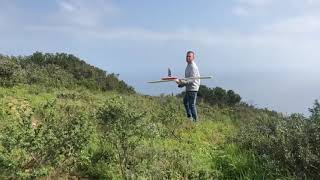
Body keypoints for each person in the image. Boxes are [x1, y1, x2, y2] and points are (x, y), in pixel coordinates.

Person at [176, 51, 200, 122]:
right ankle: (189, 117)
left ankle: (195, 121)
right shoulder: (188, 65)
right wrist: (181, 84)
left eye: (190, 56)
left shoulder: (193, 67)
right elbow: (187, 79)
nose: (188, 58)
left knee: (191, 105)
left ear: (193, 57)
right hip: (188, 88)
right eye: (187, 56)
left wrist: (182, 83)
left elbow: (192, 80)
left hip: (193, 88)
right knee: (185, 102)